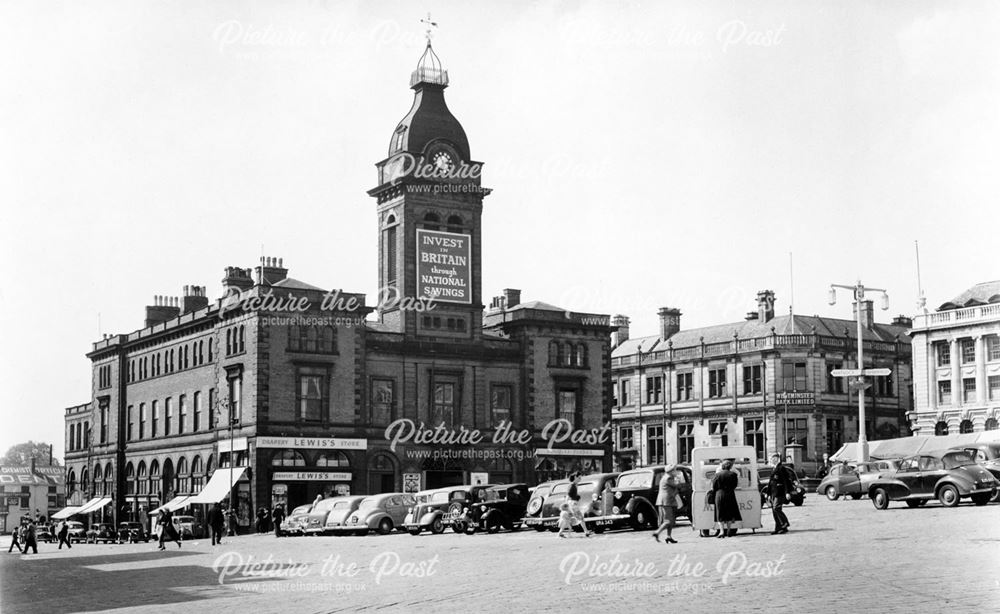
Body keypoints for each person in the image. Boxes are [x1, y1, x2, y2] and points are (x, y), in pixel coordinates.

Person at [711, 459, 742, 538]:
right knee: (729, 512)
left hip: (720, 494)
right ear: (730, 467)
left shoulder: (717, 475)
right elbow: (735, 485)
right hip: (730, 494)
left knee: (720, 513)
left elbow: (713, 486)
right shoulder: (733, 475)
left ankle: (721, 531)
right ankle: (728, 530)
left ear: (722, 466)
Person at [769, 453, 795, 534]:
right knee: (775, 510)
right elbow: (771, 482)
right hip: (774, 492)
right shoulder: (774, 468)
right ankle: (779, 528)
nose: (771, 460)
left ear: (776, 458)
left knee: (776, 508)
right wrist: (768, 493)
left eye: (773, 458)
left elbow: (786, 481)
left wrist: (787, 492)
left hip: (780, 492)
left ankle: (785, 523)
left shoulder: (781, 468)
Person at [653, 469, 679, 544]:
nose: (676, 472)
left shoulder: (665, 477)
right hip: (667, 501)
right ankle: (657, 532)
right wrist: (677, 479)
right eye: (674, 471)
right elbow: (677, 485)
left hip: (666, 500)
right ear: (670, 471)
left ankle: (669, 536)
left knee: (670, 520)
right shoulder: (668, 478)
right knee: (668, 520)